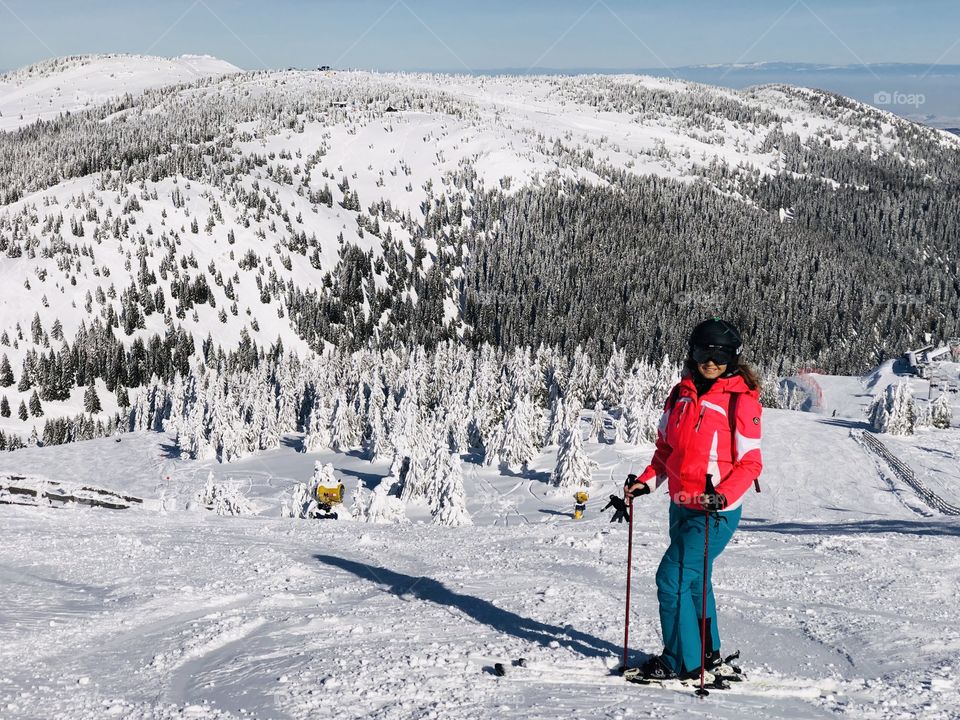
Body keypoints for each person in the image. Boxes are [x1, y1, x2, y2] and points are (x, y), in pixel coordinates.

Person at [624, 317, 763, 682]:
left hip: (714, 512)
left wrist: (722, 495)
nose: (711, 360)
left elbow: (750, 464)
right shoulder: (681, 394)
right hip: (681, 505)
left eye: (721, 353)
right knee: (696, 581)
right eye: (704, 350)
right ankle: (705, 652)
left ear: (734, 357)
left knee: (670, 579)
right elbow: (666, 450)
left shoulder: (740, 402)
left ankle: (679, 661)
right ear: (692, 352)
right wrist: (645, 483)